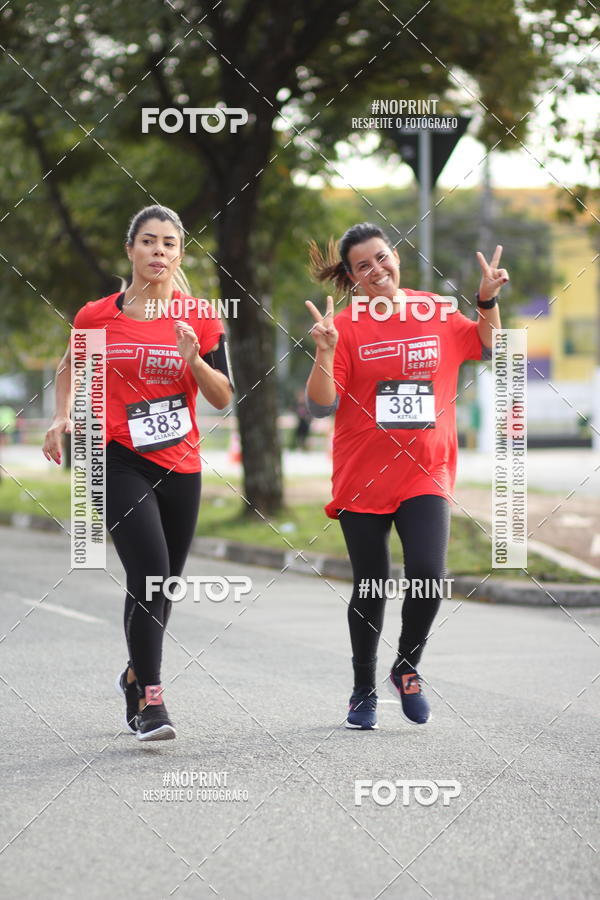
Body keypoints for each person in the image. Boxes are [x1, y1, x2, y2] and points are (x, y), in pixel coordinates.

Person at [305, 223, 507, 730]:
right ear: (351, 278)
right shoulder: (346, 326)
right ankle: (362, 690)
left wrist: (485, 300)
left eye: (382, 257)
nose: (377, 271)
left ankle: (407, 666)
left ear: (396, 257)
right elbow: (320, 404)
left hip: (426, 471)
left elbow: (489, 346)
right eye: (363, 266)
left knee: (429, 576)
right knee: (371, 585)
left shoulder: (435, 310)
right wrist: (325, 352)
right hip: (362, 476)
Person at [43, 205, 233, 741]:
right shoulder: (97, 316)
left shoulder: (199, 317)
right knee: (149, 567)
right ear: (130, 250)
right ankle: (152, 697)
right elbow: (69, 366)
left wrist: (195, 361)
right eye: (148, 242)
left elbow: (222, 396)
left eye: (169, 244)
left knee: (162, 581)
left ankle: (132, 674)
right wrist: (62, 415)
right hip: (115, 456)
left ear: (179, 254)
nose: (159, 252)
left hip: (180, 460)